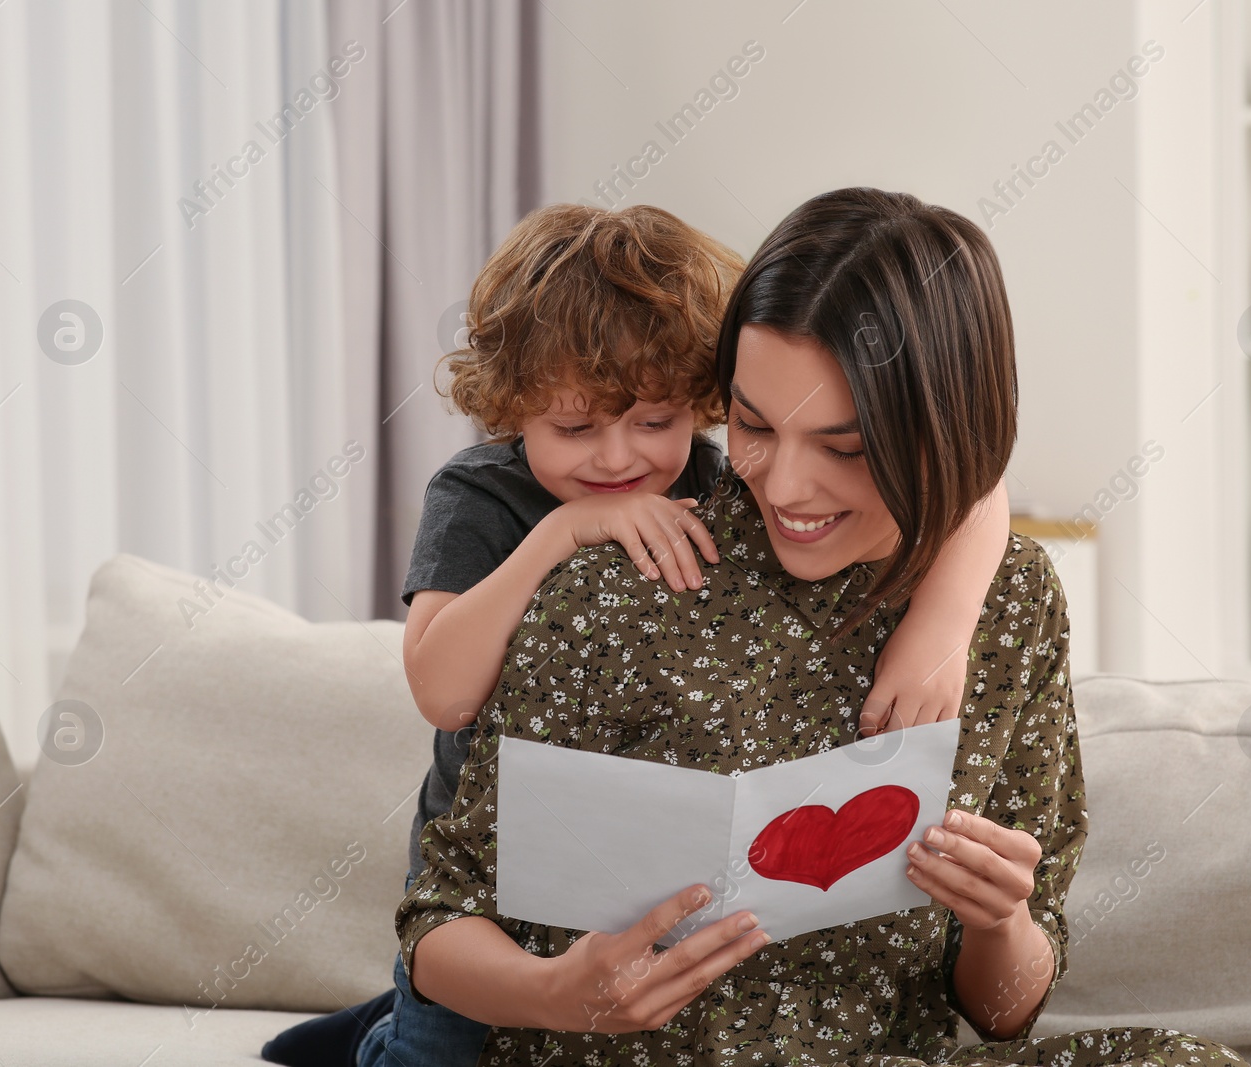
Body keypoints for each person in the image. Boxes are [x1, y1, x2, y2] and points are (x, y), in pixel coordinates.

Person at [389, 187, 1251, 1066]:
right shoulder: (625, 568)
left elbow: (1002, 1013)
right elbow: (441, 901)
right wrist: (556, 996)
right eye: (755, 426)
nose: (786, 488)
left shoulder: (1011, 601)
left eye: (844, 448)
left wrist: (1001, 918)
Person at [262, 200, 1012, 1067]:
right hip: (489, 889)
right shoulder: (483, 497)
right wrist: (563, 531)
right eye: (574, 428)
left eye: (655, 423)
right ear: (511, 408)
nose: (618, 460)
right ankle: (378, 1034)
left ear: (700, 400)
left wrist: (945, 621)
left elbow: (977, 477)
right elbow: (443, 688)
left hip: (625, 870)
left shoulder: (729, 476)